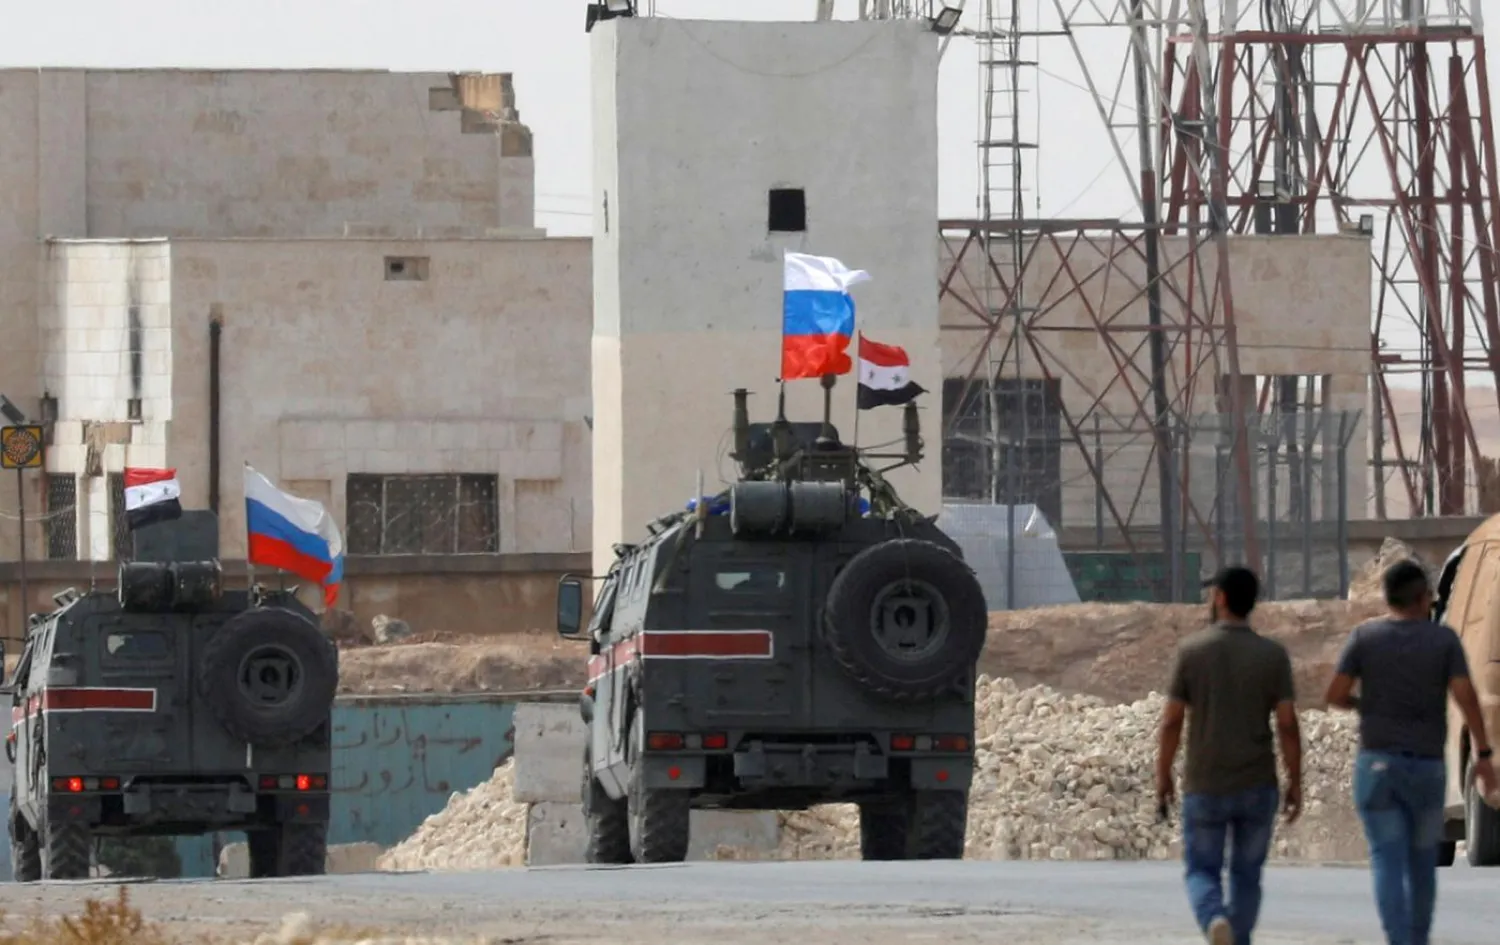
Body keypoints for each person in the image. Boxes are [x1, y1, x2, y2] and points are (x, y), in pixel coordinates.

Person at [1324, 558, 1499, 945]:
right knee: (1421, 863)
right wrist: (1484, 756)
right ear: (1424, 599)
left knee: (1386, 858)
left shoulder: (1364, 639)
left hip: (1377, 766)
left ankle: (1397, 938)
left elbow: (1334, 694)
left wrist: (1364, 707)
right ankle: (1415, 939)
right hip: (1424, 769)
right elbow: (1467, 697)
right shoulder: (1442, 641)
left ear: (1387, 598)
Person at [1156, 565, 1303, 945]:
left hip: (1205, 783)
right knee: (1247, 875)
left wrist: (1163, 775)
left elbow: (1172, 721)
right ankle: (1237, 936)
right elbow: (1287, 724)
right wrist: (1295, 780)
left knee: (1201, 870)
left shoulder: (1192, 652)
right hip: (1257, 783)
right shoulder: (1273, 656)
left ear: (1220, 598)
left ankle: (1213, 918)